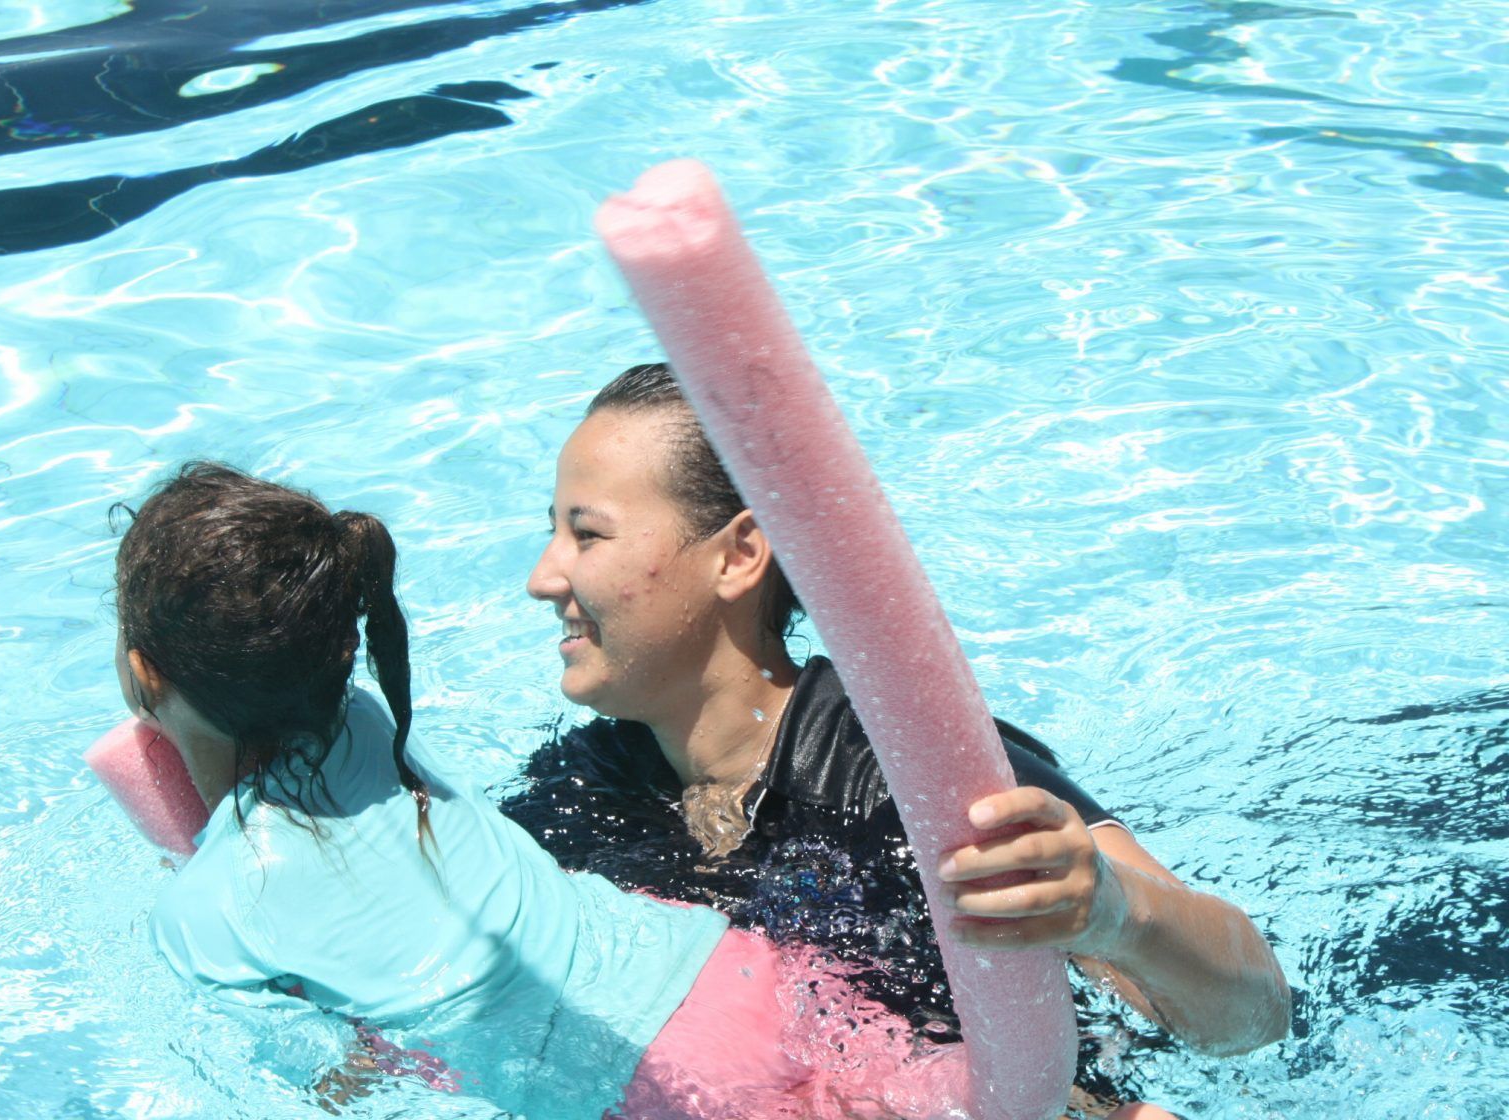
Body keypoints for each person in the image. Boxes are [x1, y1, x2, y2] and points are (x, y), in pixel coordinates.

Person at [109, 460, 1051, 1120]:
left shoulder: (202, 916)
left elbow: (338, 1085)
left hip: (635, 1077)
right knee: (951, 1092)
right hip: (731, 967)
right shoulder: (364, 718)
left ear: (146, 677)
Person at [507, 363, 1292, 1076]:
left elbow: (1252, 1016)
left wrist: (1113, 913)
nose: (545, 577)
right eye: (552, 531)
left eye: (587, 534)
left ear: (740, 554)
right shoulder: (584, 791)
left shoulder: (912, 774)